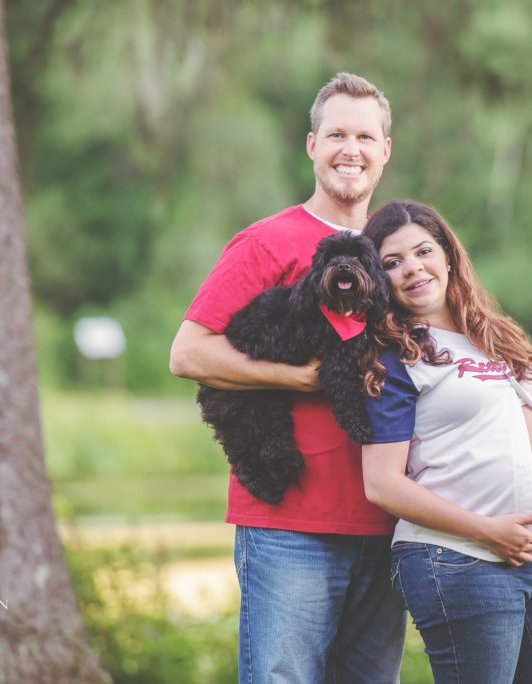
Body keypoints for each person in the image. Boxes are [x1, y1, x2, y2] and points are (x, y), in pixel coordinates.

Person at [169, 73, 405, 683]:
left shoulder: (397, 248)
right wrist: (301, 380)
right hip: (290, 526)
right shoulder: (266, 241)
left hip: (388, 520)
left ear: (385, 149)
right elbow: (188, 353)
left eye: (364, 136)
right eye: (336, 135)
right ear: (311, 145)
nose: (349, 148)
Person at [359, 200, 532, 684]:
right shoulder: (395, 355)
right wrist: (486, 530)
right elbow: (381, 484)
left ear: (448, 255)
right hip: (459, 559)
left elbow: (521, 428)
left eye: (423, 251)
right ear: (379, 281)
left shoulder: (492, 335)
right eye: (392, 263)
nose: (412, 269)